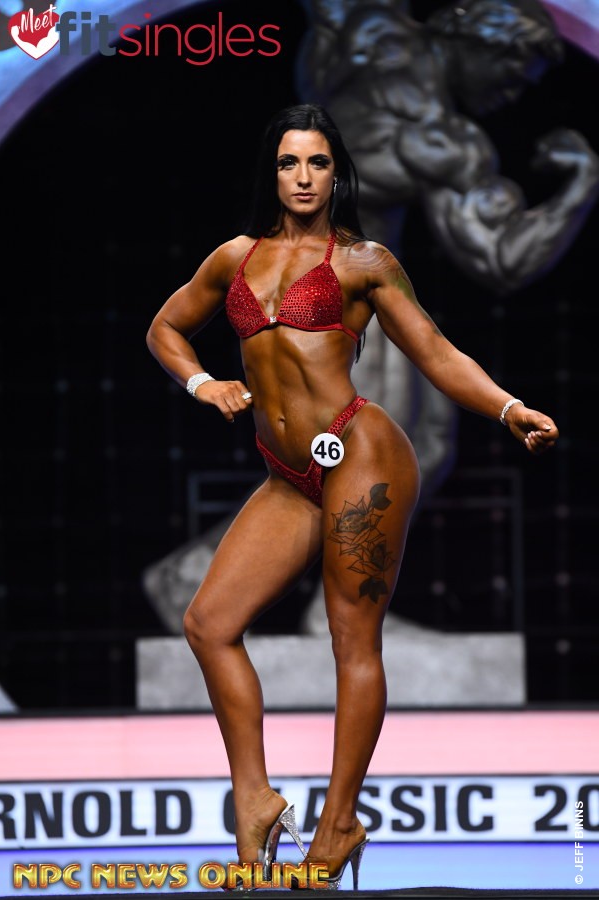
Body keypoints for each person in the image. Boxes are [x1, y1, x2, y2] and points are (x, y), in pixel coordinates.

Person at [146, 102, 558, 888]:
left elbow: (434, 350)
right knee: (208, 623)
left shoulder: (365, 262)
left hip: (360, 454)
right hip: (289, 474)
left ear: (338, 175)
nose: (303, 177)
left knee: (351, 642)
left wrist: (509, 408)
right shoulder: (234, 258)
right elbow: (165, 329)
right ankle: (255, 797)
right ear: (272, 173)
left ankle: (339, 824)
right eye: (289, 163)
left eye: (318, 163)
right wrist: (204, 383)